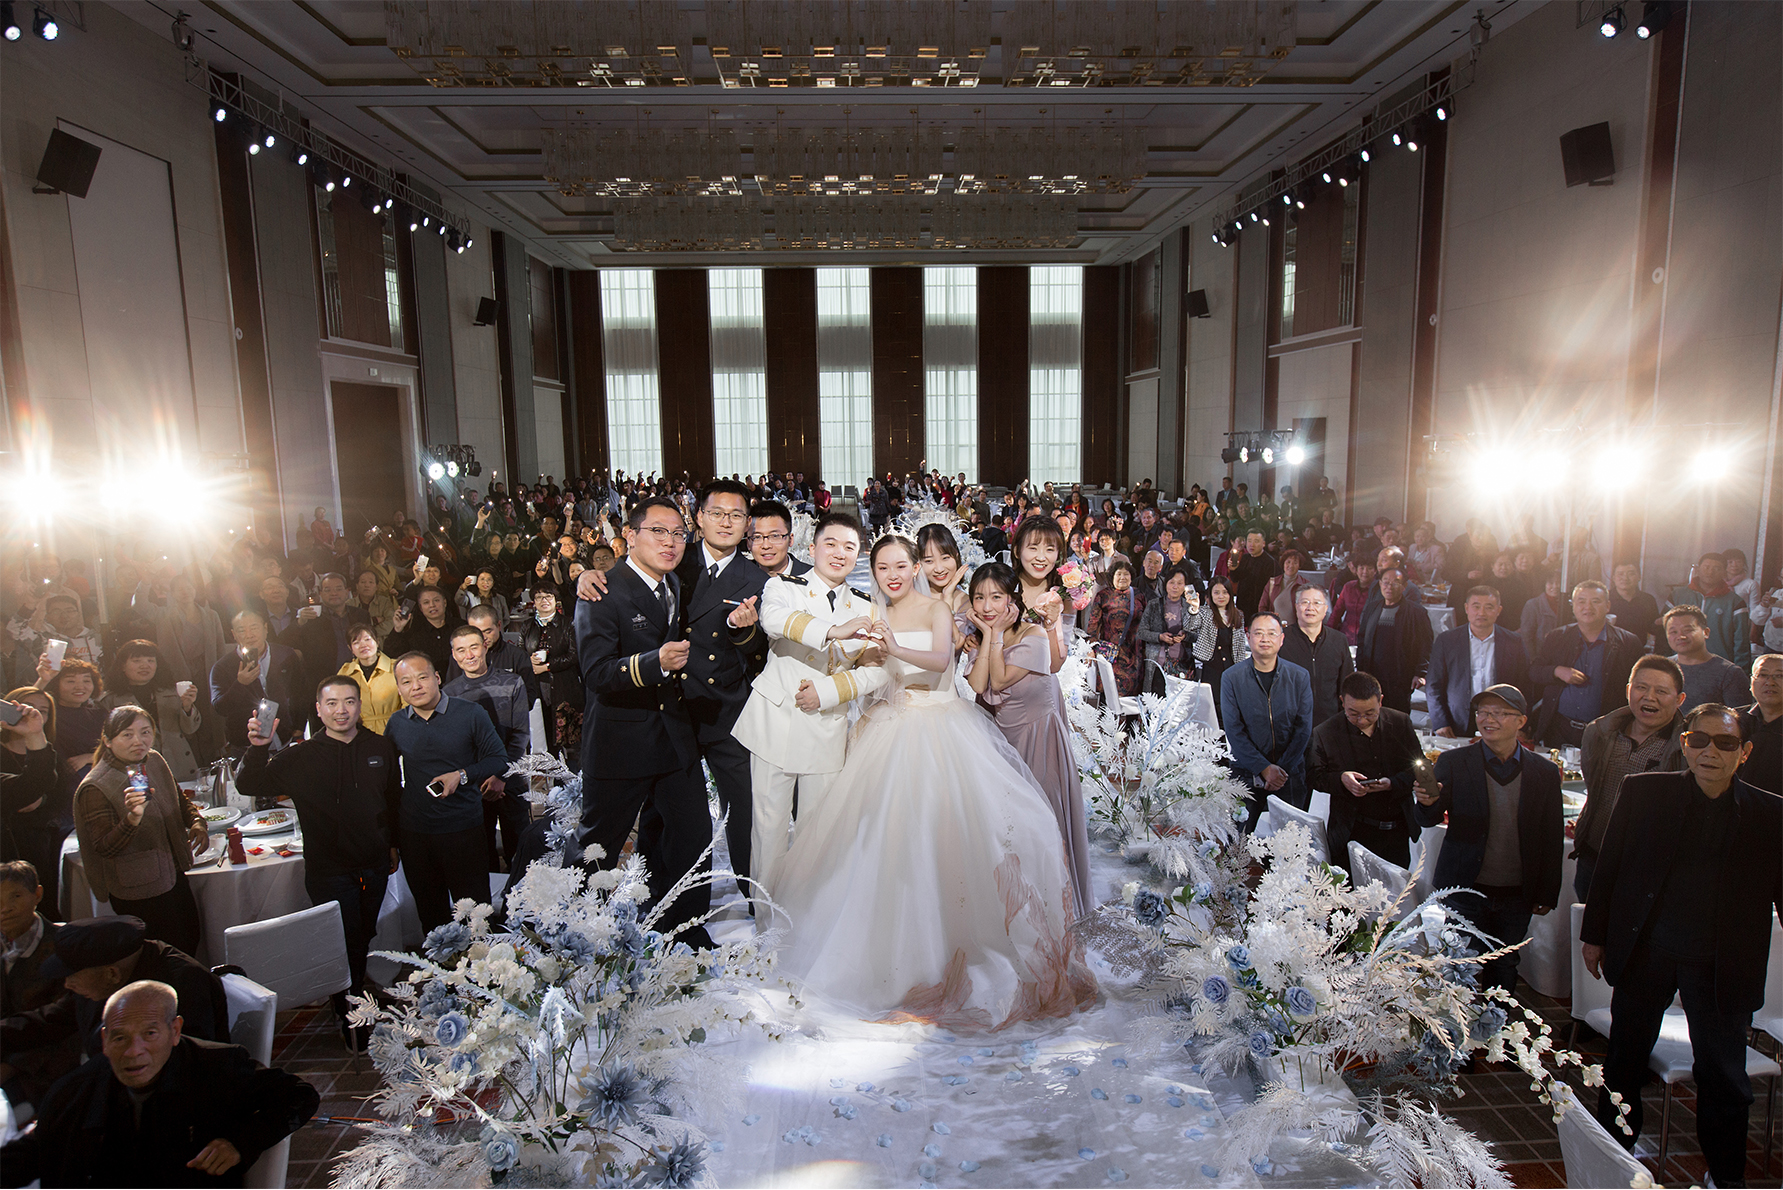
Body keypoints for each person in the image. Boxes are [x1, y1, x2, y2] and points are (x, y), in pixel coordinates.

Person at [771, 536, 1097, 1027]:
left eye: (902, 565)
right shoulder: (875, 614)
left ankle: (962, 943)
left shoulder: (939, 610)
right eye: (883, 567)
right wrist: (856, 691)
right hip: (895, 727)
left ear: (915, 568)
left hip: (944, 725)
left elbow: (943, 661)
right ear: (874, 573)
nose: (893, 574)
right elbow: (878, 674)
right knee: (889, 845)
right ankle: (891, 952)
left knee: (957, 836)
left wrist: (895, 647)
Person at [1579, 704, 1782, 1188]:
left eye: (1725, 743)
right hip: (1648, 950)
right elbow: (1610, 866)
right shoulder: (1645, 792)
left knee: (1725, 1078)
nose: (1711, 751)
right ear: (1685, 745)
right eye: (1699, 740)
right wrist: (1594, 935)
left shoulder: (1770, 812)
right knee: (1624, 1064)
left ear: (1744, 752)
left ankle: (1725, 1178)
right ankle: (1614, 1164)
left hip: (1721, 963)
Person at [0, 978, 319, 1187]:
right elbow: (40, 1147)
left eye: (149, 1034)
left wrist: (240, 1142)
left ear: (175, 1031)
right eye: (120, 1038)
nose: (133, 1051)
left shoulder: (217, 1067)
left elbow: (300, 1095)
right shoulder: (76, 1089)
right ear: (105, 1040)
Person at [574, 498, 717, 947]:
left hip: (672, 737)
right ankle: (575, 938)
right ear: (630, 536)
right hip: (620, 738)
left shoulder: (674, 580)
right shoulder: (601, 590)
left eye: (678, 534)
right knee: (598, 846)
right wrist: (654, 662)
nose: (670, 542)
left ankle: (682, 934)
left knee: (692, 835)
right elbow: (595, 672)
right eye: (658, 531)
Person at [732, 513, 893, 900]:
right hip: (775, 722)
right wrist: (834, 631)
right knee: (767, 829)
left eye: (849, 547)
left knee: (816, 833)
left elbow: (879, 670)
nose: (839, 553)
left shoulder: (869, 607)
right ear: (812, 548)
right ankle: (765, 920)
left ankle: (805, 917)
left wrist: (831, 690)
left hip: (826, 725)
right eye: (831, 544)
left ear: (859, 555)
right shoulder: (783, 586)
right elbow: (773, 620)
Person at [236, 677, 400, 1048]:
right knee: (344, 941)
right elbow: (249, 783)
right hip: (329, 870)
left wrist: (393, 844)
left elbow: (392, 799)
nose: (341, 710)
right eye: (332, 703)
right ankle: (351, 1014)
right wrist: (258, 747)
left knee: (363, 935)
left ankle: (350, 996)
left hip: (374, 864)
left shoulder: (380, 747)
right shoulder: (301, 755)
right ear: (319, 709)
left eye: (349, 702)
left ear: (359, 705)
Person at [1412, 685, 1563, 996]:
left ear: (1521, 721)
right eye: (1483, 712)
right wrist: (1426, 803)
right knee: (1457, 962)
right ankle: (1452, 1022)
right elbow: (1428, 819)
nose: (1488, 719)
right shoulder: (1454, 762)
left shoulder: (1544, 771)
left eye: (1499, 713)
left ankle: (1496, 1023)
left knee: (1505, 964)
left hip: (1517, 892)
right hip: (1465, 886)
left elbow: (1551, 835)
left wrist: (1548, 890)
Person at [963, 562, 1094, 920]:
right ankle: (1018, 912)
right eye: (979, 598)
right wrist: (986, 636)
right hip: (1001, 741)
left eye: (996, 597)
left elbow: (999, 680)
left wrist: (992, 635)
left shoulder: (1033, 635)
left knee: (1045, 823)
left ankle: (1056, 912)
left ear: (1013, 599)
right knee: (1009, 827)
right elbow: (979, 685)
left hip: (1039, 738)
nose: (987, 606)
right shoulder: (982, 636)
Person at [0, 916, 228, 1080]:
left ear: (111, 974)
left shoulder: (184, 986)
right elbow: (53, 1019)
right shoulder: (101, 976)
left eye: (71, 976)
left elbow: (184, 1067)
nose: (67, 984)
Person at [384, 653, 508, 934]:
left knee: (476, 917)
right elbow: (389, 784)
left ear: (437, 678)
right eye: (406, 682)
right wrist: (391, 839)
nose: (415, 686)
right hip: (415, 833)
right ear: (399, 689)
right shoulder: (397, 724)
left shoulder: (471, 713)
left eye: (422, 677)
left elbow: (499, 759)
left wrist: (461, 775)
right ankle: (443, 962)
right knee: (431, 917)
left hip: (463, 828)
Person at [73, 706, 205, 955]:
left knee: (190, 938)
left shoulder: (153, 760)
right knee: (162, 954)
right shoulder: (96, 786)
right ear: (107, 741)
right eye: (127, 734)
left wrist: (197, 821)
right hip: (138, 889)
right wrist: (132, 819)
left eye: (145, 732)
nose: (139, 741)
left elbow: (178, 799)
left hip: (172, 872)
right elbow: (104, 847)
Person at [1570, 655, 1687, 903]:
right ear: (1628, 691)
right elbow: (1593, 786)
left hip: (1647, 867)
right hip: (1594, 856)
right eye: (1641, 687)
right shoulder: (1599, 733)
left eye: (1661, 691)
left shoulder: (1686, 748)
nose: (1649, 697)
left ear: (1680, 699)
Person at [1308, 672, 1423, 874]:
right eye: (1353, 713)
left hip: (1396, 832)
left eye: (1370, 713)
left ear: (1381, 701)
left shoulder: (1400, 722)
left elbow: (1418, 767)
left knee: (1394, 890)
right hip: (1351, 831)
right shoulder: (1325, 732)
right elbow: (1314, 776)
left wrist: (1392, 783)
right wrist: (1341, 779)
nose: (1362, 720)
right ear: (1342, 702)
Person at [443, 624, 532, 872]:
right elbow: (454, 745)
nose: (469, 655)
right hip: (473, 787)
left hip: (510, 780)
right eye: (461, 650)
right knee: (480, 857)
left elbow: (520, 735)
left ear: (484, 646)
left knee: (521, 854)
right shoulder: (449, 694)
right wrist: (477, 778)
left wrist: (500, 776)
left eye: (473, 647)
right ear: (454, 655)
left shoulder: (512, 682)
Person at [1220, 613, 1314, 827]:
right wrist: (1263, 767)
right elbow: (1234, 730)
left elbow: (1303, 729)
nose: (1265, 639)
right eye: (1258, 633)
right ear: (1248, 637)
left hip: (1288, 773)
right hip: (1246, 772)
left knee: (1291, 840)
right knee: (1239, 839)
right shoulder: (1232, 677)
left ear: (1281, 639)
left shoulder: (1299, 677)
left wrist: (1279, 770)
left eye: (1272, 633)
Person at [1530, 580, 1644, 747]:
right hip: (1559, 729)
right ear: (1573, 606)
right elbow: (1534, 671)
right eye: (1581, 601)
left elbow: (1639, 687)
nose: (1588, 607)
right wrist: (1557, 671)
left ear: (1608, 606)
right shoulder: (1557, 637)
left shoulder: (1628, 642)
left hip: (1605, 732)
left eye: (1595, 601)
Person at [1424, 585, 1530, 737]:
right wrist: (1440, 722)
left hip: (1500, 719)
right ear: (1466, 608)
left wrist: (1520, 726)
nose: (1481, 613)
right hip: (1456, 719)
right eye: (1476, 606)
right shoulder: (1447, 641)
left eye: (1489, 607)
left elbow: (1525, 686)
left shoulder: (1514, 642)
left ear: (1498, 610)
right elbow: (1433, 685)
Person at [105, 639, 206, 781]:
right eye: (137, 661)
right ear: (122, 666)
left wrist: (187, 706)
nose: (145, 665)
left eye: (151, 661)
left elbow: (190, 730)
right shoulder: (110, 700)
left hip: (178, 765)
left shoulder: (172, 692)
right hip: (137, 768)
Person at [208, 610, 303, 750]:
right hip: (245, 744)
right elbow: (220, 708)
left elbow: (300, 691)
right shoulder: (222, 667)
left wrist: (299, 724)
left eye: (254, 628)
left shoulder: (285, 655)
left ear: (265, 629)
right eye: (242, 630)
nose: (249, 635)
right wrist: (240, 684)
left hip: (284, 736)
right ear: (234, 635)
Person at [1356, 566, 1433, 714]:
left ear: (1404, 586)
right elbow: (1362, 639)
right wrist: (1361, 670)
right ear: (1380, 584)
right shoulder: (1372, 608)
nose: (1389, 587)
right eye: (1385, 582)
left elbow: (1426, 645)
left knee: (1397, 716)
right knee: (1371, 713)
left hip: (1400, 676)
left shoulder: (1416, 612)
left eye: (1395, 583)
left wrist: (1421, 673)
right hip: (1372, 674)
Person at [1277, 585, 1354, 729]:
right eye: (1305, 602)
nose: (1310, 608)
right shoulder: (1281, 640)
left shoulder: (1339, 640)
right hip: (1290, 725)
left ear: (1325, 609)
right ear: (1296, 607)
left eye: (1317, 603)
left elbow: (1347, 684)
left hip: (1330, 724)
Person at [1667, 551, 1752, 668]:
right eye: (1706, 567)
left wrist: (1741, 671)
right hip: (1680, 664)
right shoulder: (1678, 596)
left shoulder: (1735, 602)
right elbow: (1664, 630)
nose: (1710, 572)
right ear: (1698, 569)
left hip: (1720, 666)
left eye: (1716, 568)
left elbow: (1741, 641)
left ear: (1724, 572)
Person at [1661, 604, 1752, 712]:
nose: (1681, 636)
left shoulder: (1730, 674)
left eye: (1688, 630)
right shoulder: (1661, 668)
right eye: (1673, 632)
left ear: (1706, 632)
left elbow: (1741, 718)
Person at [1191, 577, 1249, 717]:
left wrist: (1241, 669)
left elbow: (1240, 646)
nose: (1221, 596)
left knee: (1229, 704)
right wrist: (1193, 608)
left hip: (1231, 667)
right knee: (1210, 705)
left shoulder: (1238, 615)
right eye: (1216, 593)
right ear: (1210, 595)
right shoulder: (1205, 612)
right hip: (1211, 667)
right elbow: (1190, 626)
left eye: (1225, 592)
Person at [1086, 561, 1144, 697]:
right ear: (1112, 576)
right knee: (1110, 691)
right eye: (1119, 574)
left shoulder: (1139, 595)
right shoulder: (1103, 595)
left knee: (1131, 695)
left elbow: (1146, 621)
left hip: (1134, 653)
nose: (1122, 577)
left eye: (1126, 574)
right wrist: (1090, 648)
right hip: (1110, 653)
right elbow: (1093, 624)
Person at [1135, 566, 1200, 687]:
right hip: (1158, 664)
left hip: (1183, 665)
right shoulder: (1154, 604)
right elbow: (1141, 632)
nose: (1175, 586)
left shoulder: (1189, 607)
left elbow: (1197, 635)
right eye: (1172, 582)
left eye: (1180, 583)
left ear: (1185, 586)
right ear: (1166, 584)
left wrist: (1185, 636)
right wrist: (1160, 637)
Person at [336, 623, 402, 734]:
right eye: (356, 642)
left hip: (395, 730)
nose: (363, 645)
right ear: (350, 648)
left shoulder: (397, 668)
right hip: (359, 733)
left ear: (377, 642)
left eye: (367, 639)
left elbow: (408, 703)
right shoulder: (345, 672)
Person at [383, 585, 460, 676]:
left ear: (445, 602)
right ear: (420, 607)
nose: (432, 605)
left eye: (436, 600)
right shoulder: (414, 633)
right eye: (426, 602)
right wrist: (398, 629)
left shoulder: (460, 627)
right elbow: (391, 654)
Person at [1740, 654, 1781, 795]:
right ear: (1751, 682)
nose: (1770, 682)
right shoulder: (1733, 720)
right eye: (1762, 675)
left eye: (1780, 676)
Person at [1608, 561, 1661, 644]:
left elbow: (1653, 629)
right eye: (1620, 574)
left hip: (1639, 647)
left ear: (1639, 577)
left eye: (1631, 574)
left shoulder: (1648, 600)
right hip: (1609, 647)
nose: (1625, 578)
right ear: (1613, 578)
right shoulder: (1604, 598)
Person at [1330, 555, 1376, 646]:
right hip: (1346, 636)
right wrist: (1327, 633)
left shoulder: (1378, 590)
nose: (1365, 572)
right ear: (1356, 570)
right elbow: (1336, 613)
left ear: (1375, 571)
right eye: (1361, 568)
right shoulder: (1348, 587)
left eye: (1370, 568)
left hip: (1369, 639)